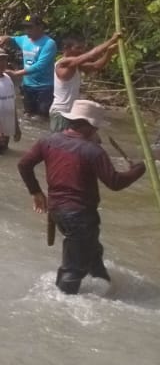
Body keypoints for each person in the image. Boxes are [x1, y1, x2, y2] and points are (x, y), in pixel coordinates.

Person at [18, 100, 147, 294]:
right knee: (73, 269)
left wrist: (36, 192)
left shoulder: (49, 141)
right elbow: (115, 183)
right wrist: (139, 169)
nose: (96, 131)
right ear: (88, 126)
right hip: (79, 215)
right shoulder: (93, 151)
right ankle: (63, 305)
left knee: (93, 252)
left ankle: (106, 292)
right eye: (95, 127)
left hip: (58, 211)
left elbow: (24, 165)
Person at [51, 32, 121, 132]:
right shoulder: (63, 63)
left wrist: (108, 54)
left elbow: (96, 66)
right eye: (78, 48)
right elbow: (90, 56)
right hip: (61, 112)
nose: (81, 51)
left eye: (82, 48)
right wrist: (111, 40)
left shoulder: (76, 65)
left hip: (72, 113)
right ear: (67, 48)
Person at [3, 15, 57, 120]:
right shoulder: (24, 39)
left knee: (42, 118)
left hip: (44, 87)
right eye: (25, 27)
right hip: (27, 86)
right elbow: (13, 39)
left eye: (30, 27)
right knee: (27, 116)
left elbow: (40, 65)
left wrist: (16, 73)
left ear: (40, 27)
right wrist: (6, 38)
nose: (27, 30)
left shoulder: (49, 43)